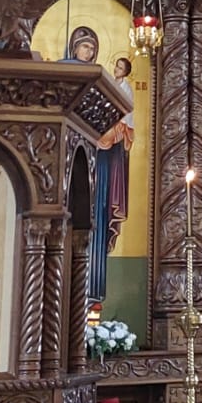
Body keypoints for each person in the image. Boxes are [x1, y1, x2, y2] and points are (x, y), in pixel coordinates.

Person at [88, 55, 134, 300]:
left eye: (120, 67)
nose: (116, 69)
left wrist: (109, 134)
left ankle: (95, 287)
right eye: (116, 65)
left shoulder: (125, 90)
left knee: (101, 212)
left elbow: (125, 124)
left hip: (109, 160)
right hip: (96, 159)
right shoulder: (106, 85)